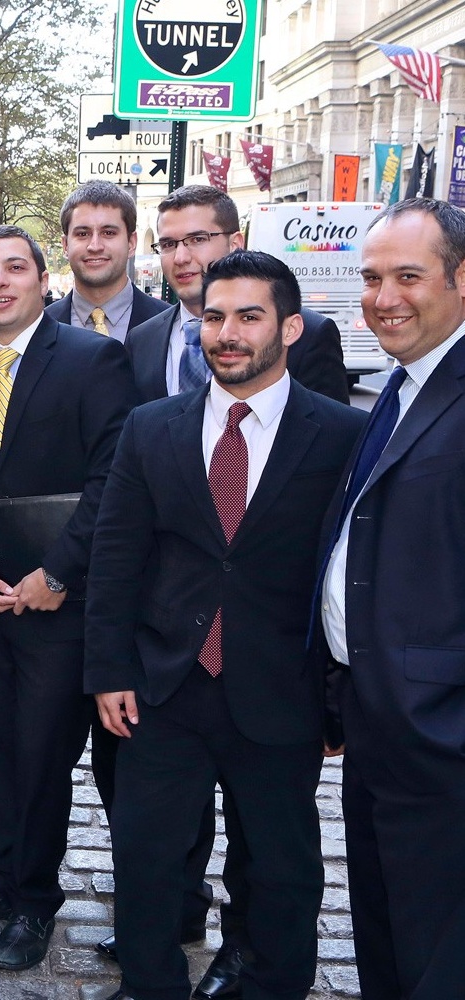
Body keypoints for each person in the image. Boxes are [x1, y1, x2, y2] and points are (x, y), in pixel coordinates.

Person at [86, 250, 365, 1000]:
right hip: (163, 687)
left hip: (279, 690)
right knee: (145, 860)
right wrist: (109, 669)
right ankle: (151, 985)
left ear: (291, 327)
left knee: (281, 866)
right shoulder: (151, 428)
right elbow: (117, 555)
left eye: (248, 316)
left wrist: (337, 698)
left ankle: (270, 983)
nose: (228, 333)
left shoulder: (340, 435)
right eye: (214, 317)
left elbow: (347, 575)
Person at [0, 225, 137, 972]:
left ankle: (33, 903)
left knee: (43, 758)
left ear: (43, 281)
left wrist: (57, 575)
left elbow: (112, 484)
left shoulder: (93, 360)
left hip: (59, 606)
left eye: (15, 268)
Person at [319, 197, 465, 1000]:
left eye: (408, 276)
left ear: (461, 278)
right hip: (377, 718)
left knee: (438, 952)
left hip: (441, 736)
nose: (385, 297)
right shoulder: (399, 386)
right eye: (372, 278)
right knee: (385, 932)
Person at [126, 184, 349, 406]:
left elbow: (330, 431)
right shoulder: (142, 339)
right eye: (168, 244)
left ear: (235, 244)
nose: (180, 257)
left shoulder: (310, 334)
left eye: (197, 239)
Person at [45, 180, 169, 343]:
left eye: (108, 233)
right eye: (83, 234)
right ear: (66, 245)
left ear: (131, 243)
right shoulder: (39, 327)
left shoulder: (169, 325)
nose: (95, 246)